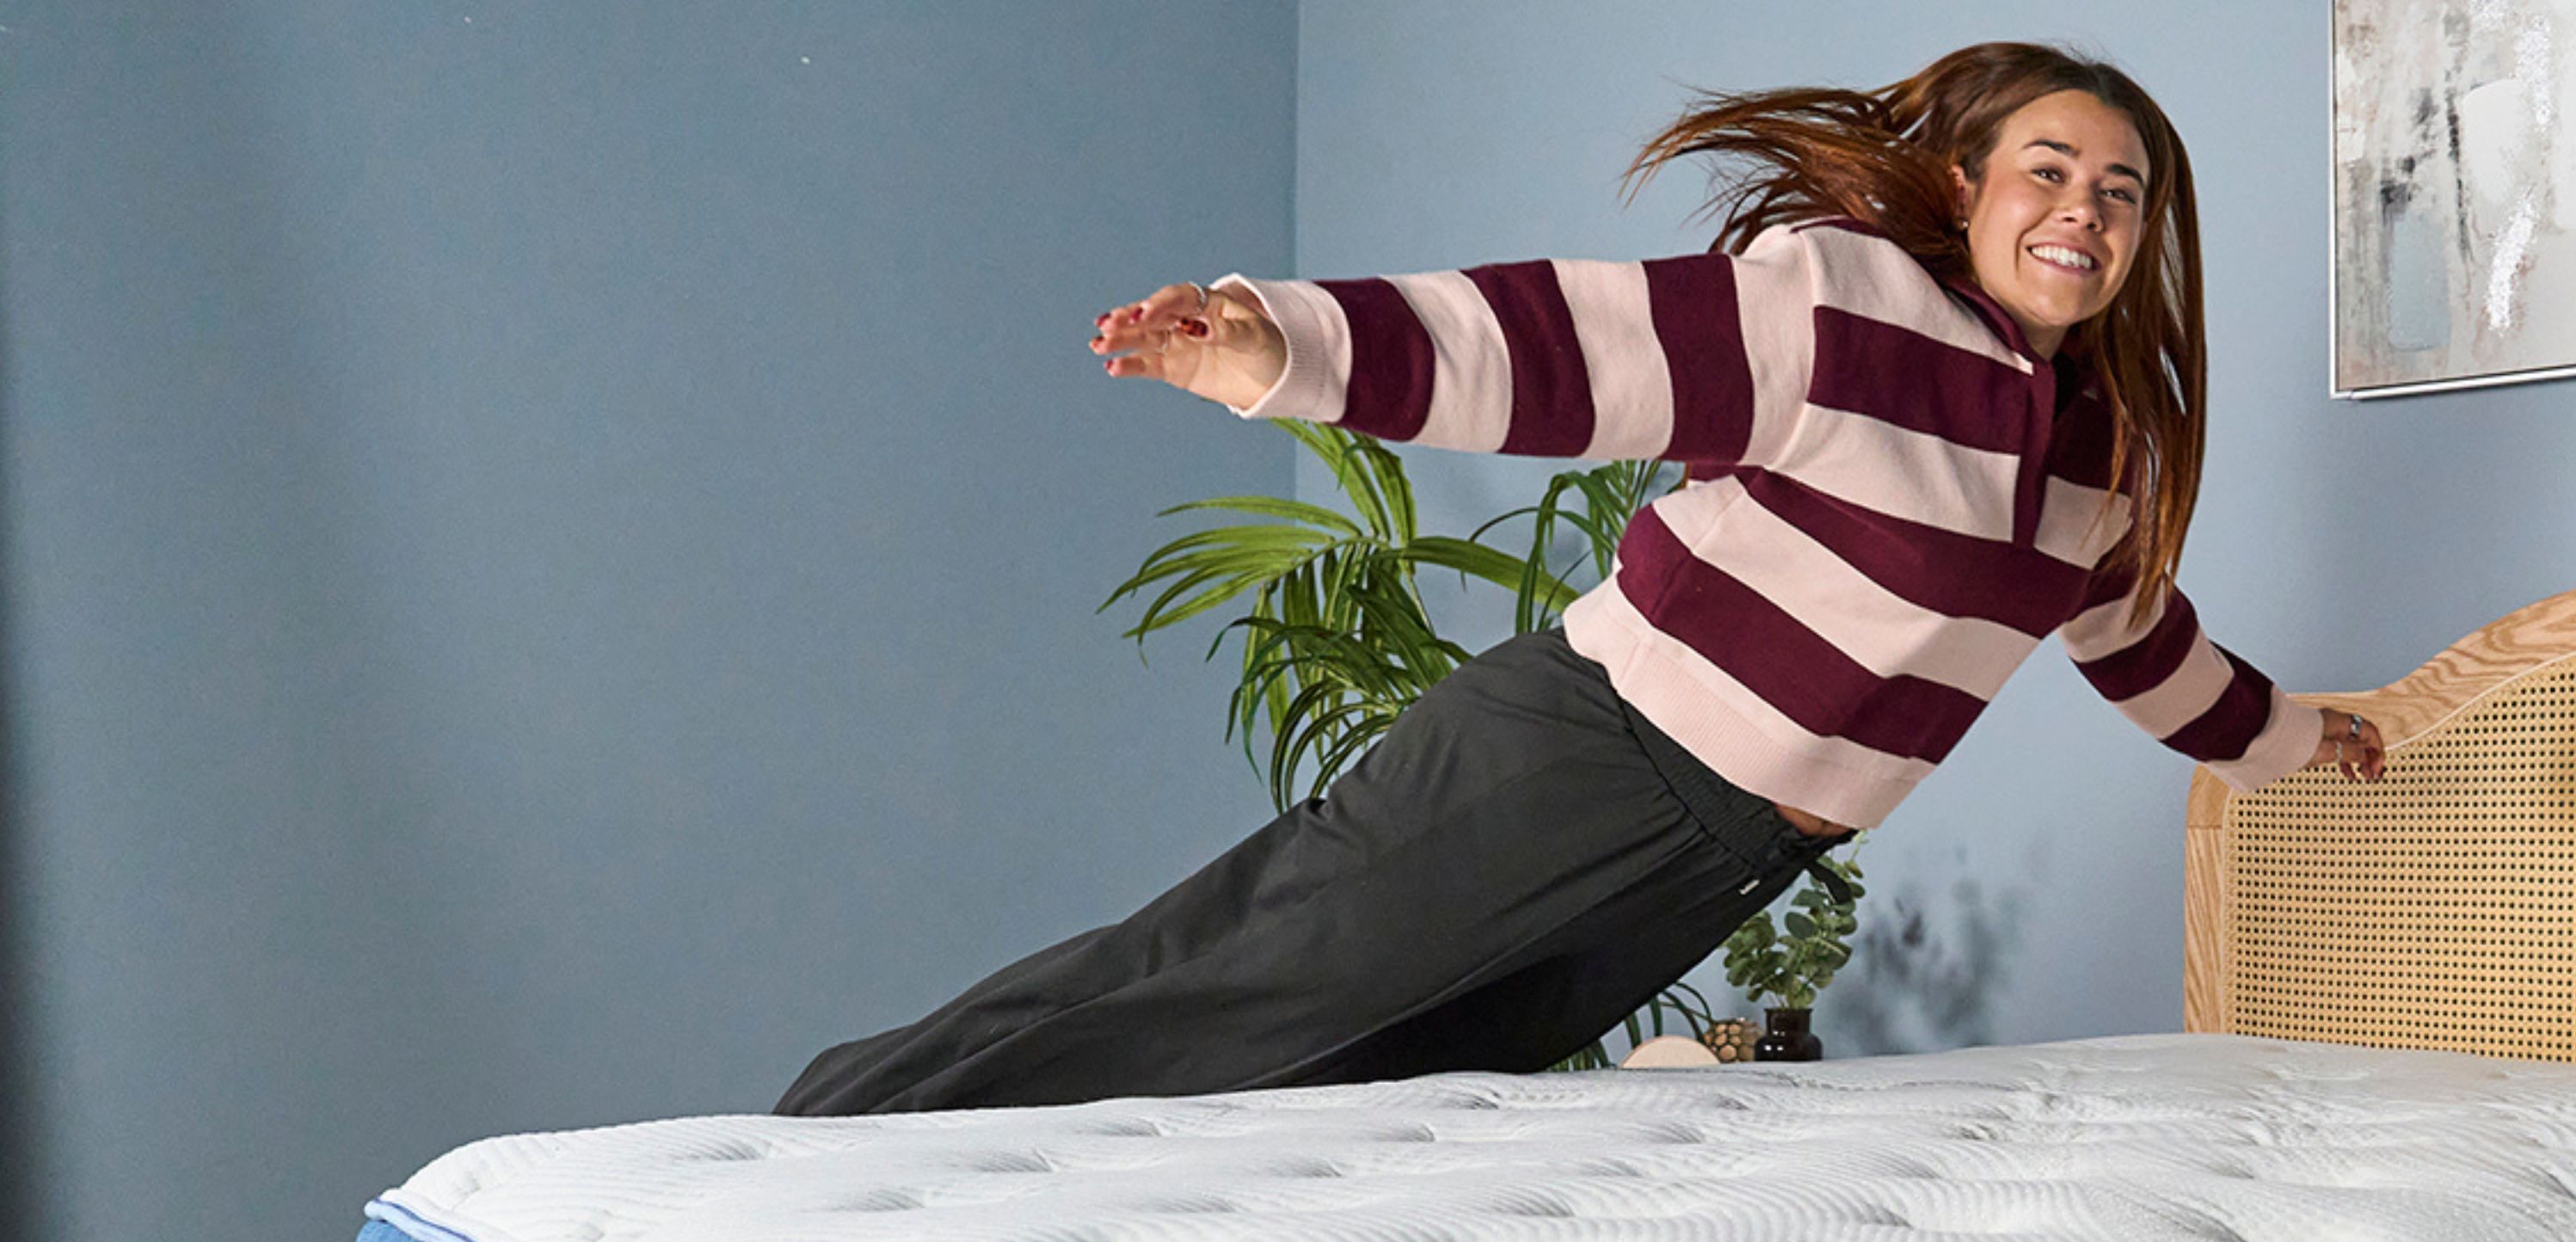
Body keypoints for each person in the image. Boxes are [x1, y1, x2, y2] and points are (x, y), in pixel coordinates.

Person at [774, 42, 2384, 1116]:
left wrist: (2313, 743)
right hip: (1581, 759)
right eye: (2048, 170)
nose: (2082, 212)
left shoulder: (2093, 459)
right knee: (1219, 997)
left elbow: (2147, 652)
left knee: (1382, 1095)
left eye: (2120, 193)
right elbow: (1564, 344)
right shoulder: (1839, 307)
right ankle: (824, 1148)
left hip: (1715, 862)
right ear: (1965, 186)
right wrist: (1288, 348)